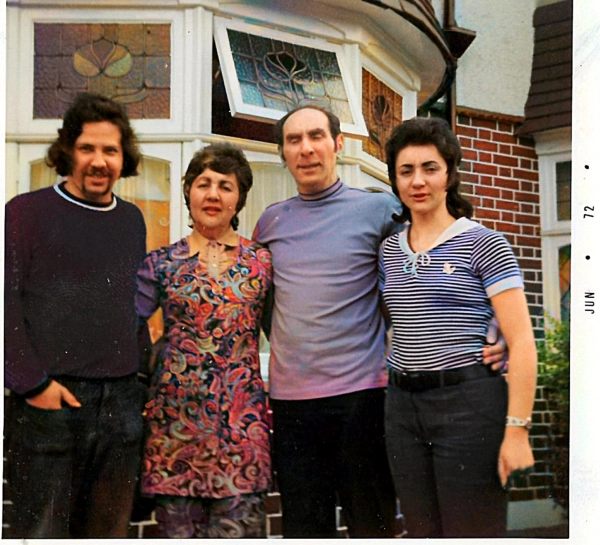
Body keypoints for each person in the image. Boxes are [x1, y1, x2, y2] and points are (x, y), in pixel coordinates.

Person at [253, 106, 507, 538]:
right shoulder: (271, 221)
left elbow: (437, 254)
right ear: (283, 152)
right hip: (292, 403)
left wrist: (495, 319)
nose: (306, 148)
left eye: (316, 136)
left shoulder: (380, 209)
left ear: (338, 144)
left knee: (371, 525)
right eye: (294, 140)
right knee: (304, 527)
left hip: (363, 398)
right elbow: (264, 304)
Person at [379, 116, 537, 538]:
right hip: (402, 409)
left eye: (430, 168)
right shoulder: (389, 251)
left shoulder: (485, 243)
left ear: (450, 173)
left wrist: (517, 431)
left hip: (468, 406)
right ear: (395, 179)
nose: (418, 181)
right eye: (406, 170)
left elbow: (522, 340)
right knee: (421, 532)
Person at [4, 92, 148, 538]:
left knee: (108, 533)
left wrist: (139, 382)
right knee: (43, 533)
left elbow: (132, 307)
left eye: (110, 150)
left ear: (123, 158)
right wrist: (33, 385)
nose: (99, 161)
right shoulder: (25, 212)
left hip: (121, 405)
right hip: (52, 402)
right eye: (87, 148)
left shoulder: (132, 220)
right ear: (68, 151)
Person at [136, 143, 273, 538]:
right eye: (203, 184)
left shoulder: (262, 263)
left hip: (241, 435)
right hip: (175, 435)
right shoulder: (161, 263)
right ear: (188, 192)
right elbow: (126, 325)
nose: (213, 194)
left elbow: (283, 333)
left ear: (239, 198)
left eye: (225, 186)